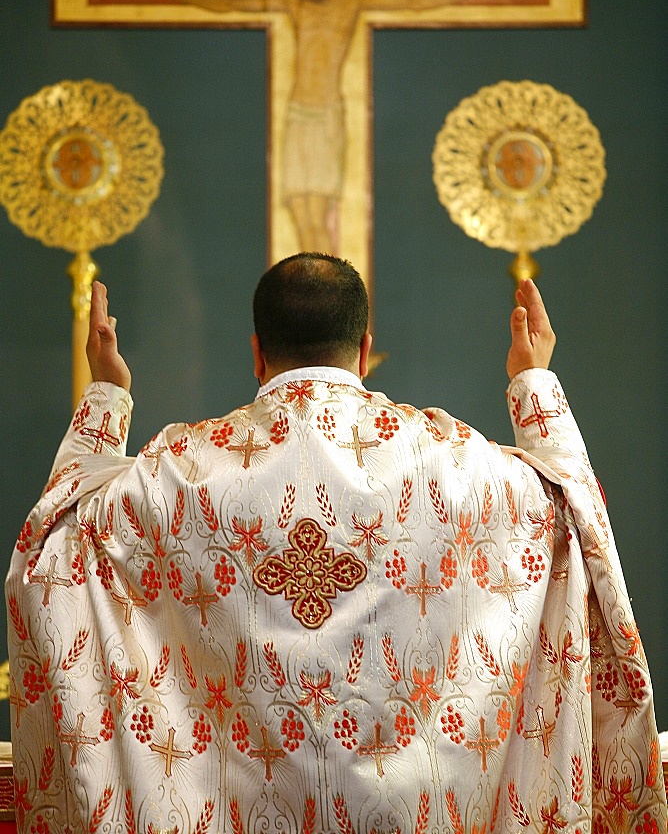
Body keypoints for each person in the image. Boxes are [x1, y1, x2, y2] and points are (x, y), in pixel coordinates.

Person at [6, 254, 666, 834]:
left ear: (257, 352)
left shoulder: (177, 471)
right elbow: (571, 506)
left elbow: (54, 538)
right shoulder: (456, 463)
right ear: (364, 345)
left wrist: (106, 397)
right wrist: (533, 383)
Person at [127, 0, 511, 256]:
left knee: (320, 212)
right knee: (299, 211)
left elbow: (413, 4)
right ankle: (309, 291)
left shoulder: (351, 3)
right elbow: (230, 5)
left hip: (327, 114)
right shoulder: (293, 6)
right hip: (298, 113)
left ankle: (328, 293)